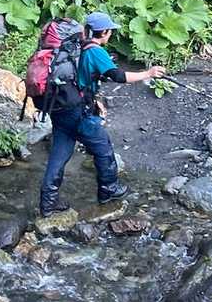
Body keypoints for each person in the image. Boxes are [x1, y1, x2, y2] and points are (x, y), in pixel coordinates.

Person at [38, 11, 164, 214]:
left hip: (59, 108)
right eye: (110, 31)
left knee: (59, 154)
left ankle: (48, 201)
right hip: (78, 112)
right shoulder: (95, 51)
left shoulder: (74, 45)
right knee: (103, 148)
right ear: (103, 32)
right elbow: (118, 76)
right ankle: (108, 189)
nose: (111, 34)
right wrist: (148, 73)